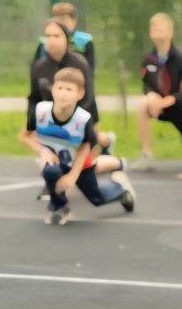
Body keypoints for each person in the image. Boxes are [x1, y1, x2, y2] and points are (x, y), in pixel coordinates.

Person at [20, 68, 135, 225]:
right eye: (60, 88)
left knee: (97, 199)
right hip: (58, 160)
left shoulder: (83, 120)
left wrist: (72, 176)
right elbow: (25, 136)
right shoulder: (40, 111)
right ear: (53, 89)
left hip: (80, 163)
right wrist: (43, 151)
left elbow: (85, 149)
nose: (63, 93)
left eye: (69, 89)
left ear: (80, 94)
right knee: (50, 170)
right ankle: (59, 207)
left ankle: (120, 192)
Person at [135, 13, 182, 171]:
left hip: (181, 106)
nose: (156, 31)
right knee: (142, 104)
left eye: (160, 28)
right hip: (159, 108)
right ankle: (147, 156)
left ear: (170, 32)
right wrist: (151, 95)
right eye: (153, 27)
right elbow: (146, 85)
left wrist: (169, 100)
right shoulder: (148, 59)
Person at [33, 2, 95, 73]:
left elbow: (90, 70)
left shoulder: (84, 41)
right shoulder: (44, 43)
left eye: (64, 20)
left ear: (74, 21)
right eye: (58, 20)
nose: (61, 24)